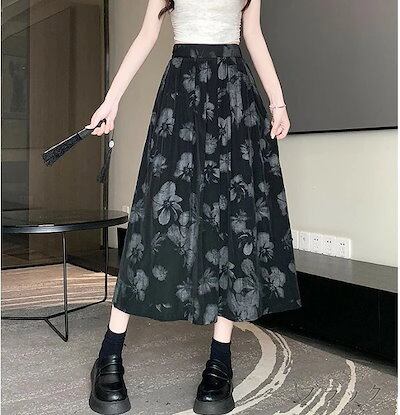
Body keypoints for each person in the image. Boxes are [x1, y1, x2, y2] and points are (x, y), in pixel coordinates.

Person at [86, 0, 302, 414]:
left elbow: (252, 34)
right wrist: (111, 101)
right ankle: (109, 352)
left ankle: (219, 360)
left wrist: (278, 102)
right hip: (181, 92)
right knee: (154, 219)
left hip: (234, 97)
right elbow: (147, 34)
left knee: (232, 221)